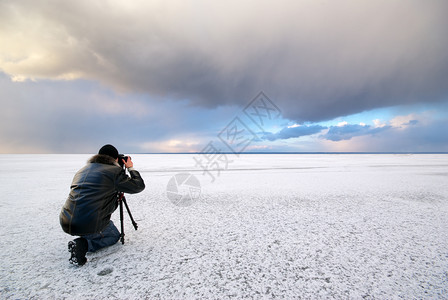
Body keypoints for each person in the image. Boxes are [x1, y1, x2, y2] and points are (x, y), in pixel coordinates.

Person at [59, 144, 145, 266]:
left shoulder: (83, 170)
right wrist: (130, 168)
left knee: (105, 224)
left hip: (67, 219)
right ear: (116, 159)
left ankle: (87, 236)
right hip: (88, 221)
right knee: (114, 236)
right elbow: (138, 186)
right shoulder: (114, 172)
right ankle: (84, 244)